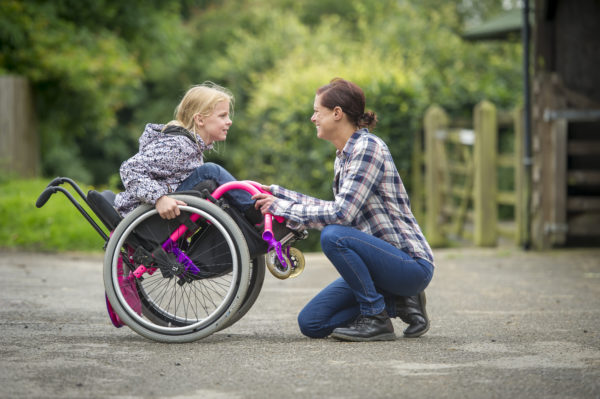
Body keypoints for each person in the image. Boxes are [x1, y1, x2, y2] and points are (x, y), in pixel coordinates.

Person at [252, 78, 434, 342]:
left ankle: (376, 318)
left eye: (317, 111)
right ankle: (400, 303)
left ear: (337, 113)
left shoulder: (368, 148)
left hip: (409, 264)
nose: (312, 117)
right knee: (312, 323)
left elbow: (342, 215)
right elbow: (334, 208)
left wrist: (282, 207)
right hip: (379, 266)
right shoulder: (343, 157)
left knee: (333, 236)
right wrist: (276, 193)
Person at [114, 82, 259, 223]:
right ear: (200, 119)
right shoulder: (178, 145)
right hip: (145, 216)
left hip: (161, 211)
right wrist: (159, 198)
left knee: (210, 181)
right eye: (222, 116)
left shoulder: (192, 149)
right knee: (210, 171)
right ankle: (257, 213)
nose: (229, 121)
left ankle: (253, 213)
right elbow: (129, 169)